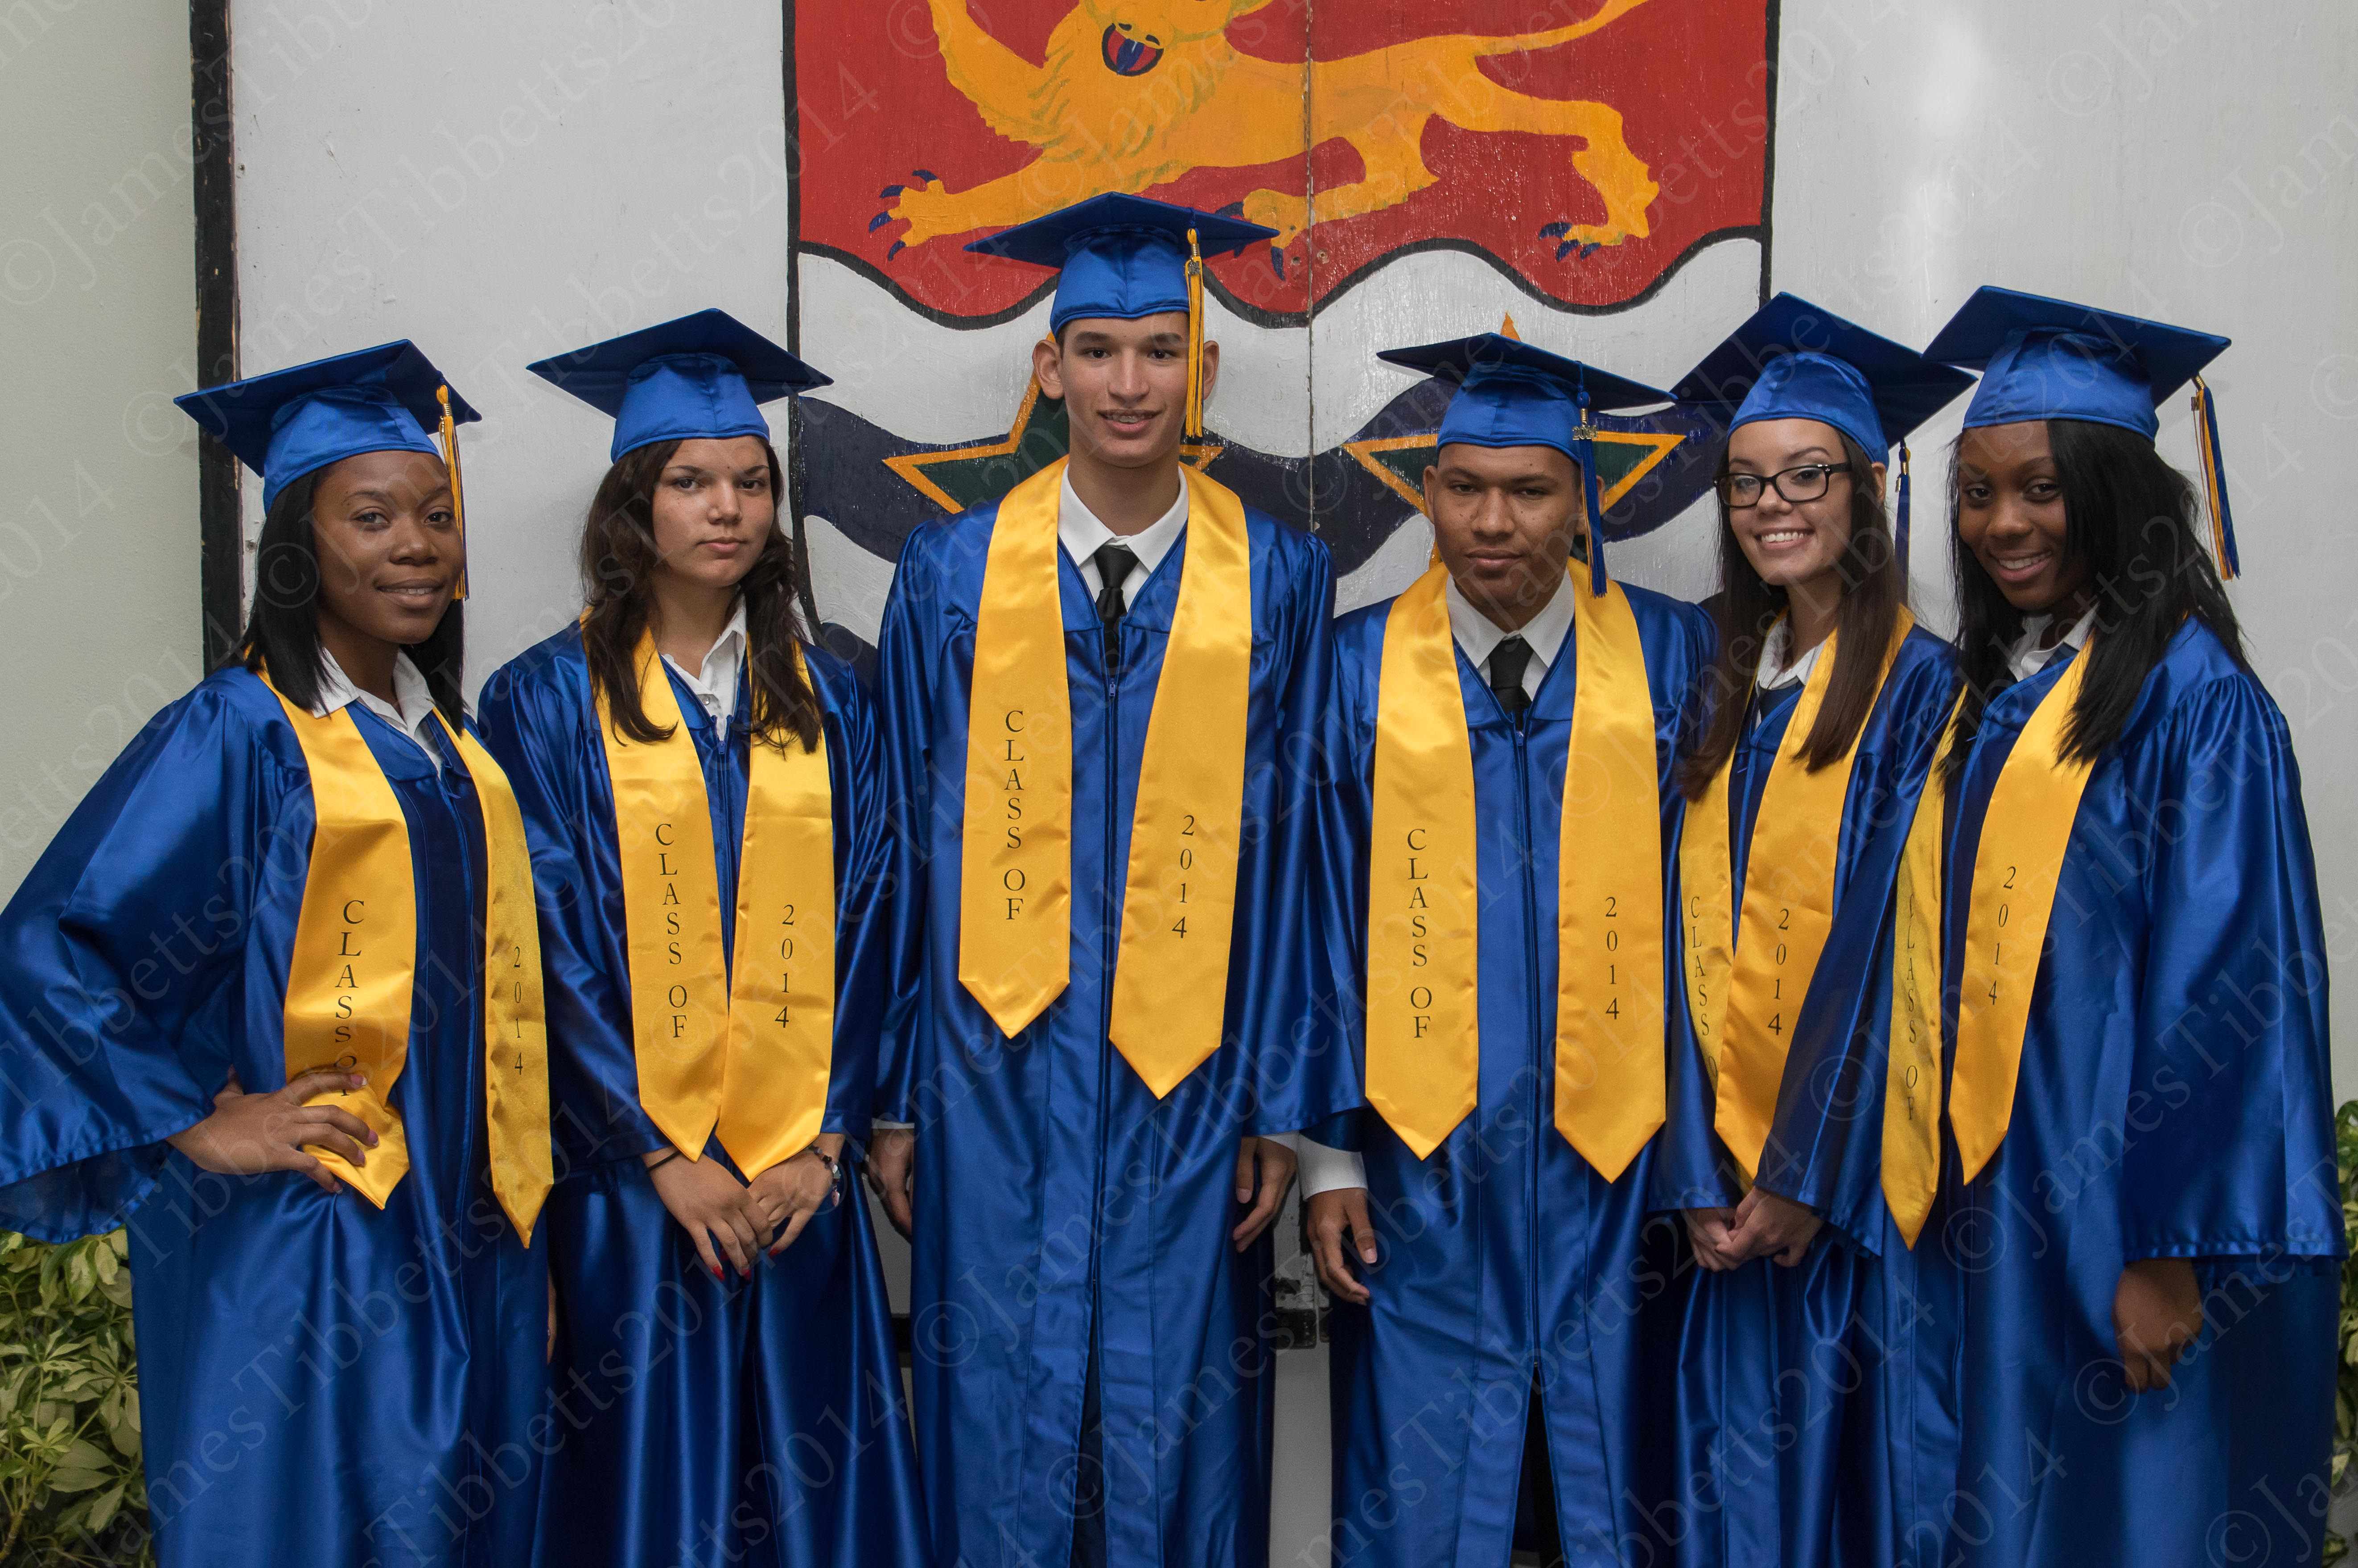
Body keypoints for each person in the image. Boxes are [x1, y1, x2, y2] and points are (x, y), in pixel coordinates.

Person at [0, 344, 554, 1567]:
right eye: (373, 518)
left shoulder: (452, 746)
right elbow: (57, 943)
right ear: (297, 547)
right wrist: (200, 1124)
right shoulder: (238, 730)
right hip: (308, 1232)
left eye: (436, 516)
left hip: (467, 1226)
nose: (418, 546)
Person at [866, 193, 1355, 1568]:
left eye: (1158, 350)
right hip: (989, 1069)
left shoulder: (1279, 577)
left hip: (1192, 1076)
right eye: (1095, 350)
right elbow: (901, 834)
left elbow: (1302, 858)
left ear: (1202, 368)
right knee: (991, 1407)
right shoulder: (951, 571)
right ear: (1048, 368)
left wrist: (1281, 1102)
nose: (1127, 383)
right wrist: (896, 1094)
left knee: (1179, 1425)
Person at [476, 310, 926, 1568]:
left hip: (795, 1179)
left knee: (809, 1467)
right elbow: (542, 941)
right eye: (689, 482)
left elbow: (876, 912)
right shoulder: (543, 698)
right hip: (632, 1187)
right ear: (634, 506)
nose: (726, 508)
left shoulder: (831, 696)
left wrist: (828, 1136)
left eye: (750, 482)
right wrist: (656, 1150)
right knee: (645, 1472)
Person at [1918, 287, 2341, 1564]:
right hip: (2002, 1192)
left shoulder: (2193, 702)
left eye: (2040, 489)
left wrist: (2169, 1251)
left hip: (2123, 1198)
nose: (2002, 523)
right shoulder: (2009, 691)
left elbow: (2231, 992)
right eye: (1977, 493)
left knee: (2133, 1514)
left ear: (2114, 494)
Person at [1300, 332, 1714, 1568]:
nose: (1493, 523)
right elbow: (1313, 918)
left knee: (1633, 1481)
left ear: (1583, 499)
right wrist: (1327, 1158)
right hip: (1419, 1165)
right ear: (1426, 493)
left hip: (1628, 1168)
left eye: (1530, 490)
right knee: (1424, 1492)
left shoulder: (1675, 657)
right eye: (1465, 488)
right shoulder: (1352, 670)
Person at [1655, 296, 1970, 1567]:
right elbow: (1658, 946)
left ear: (1867, 489)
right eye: (1745, 482)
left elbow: (1901, 963)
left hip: (1844, 1204)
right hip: (1721, 1203)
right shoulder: (1717, 684)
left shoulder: (1925, 692)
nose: (1770, 505)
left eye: (1805, 475)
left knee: (1842, 1493)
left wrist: (1800, 1173)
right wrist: (1696, 1170)